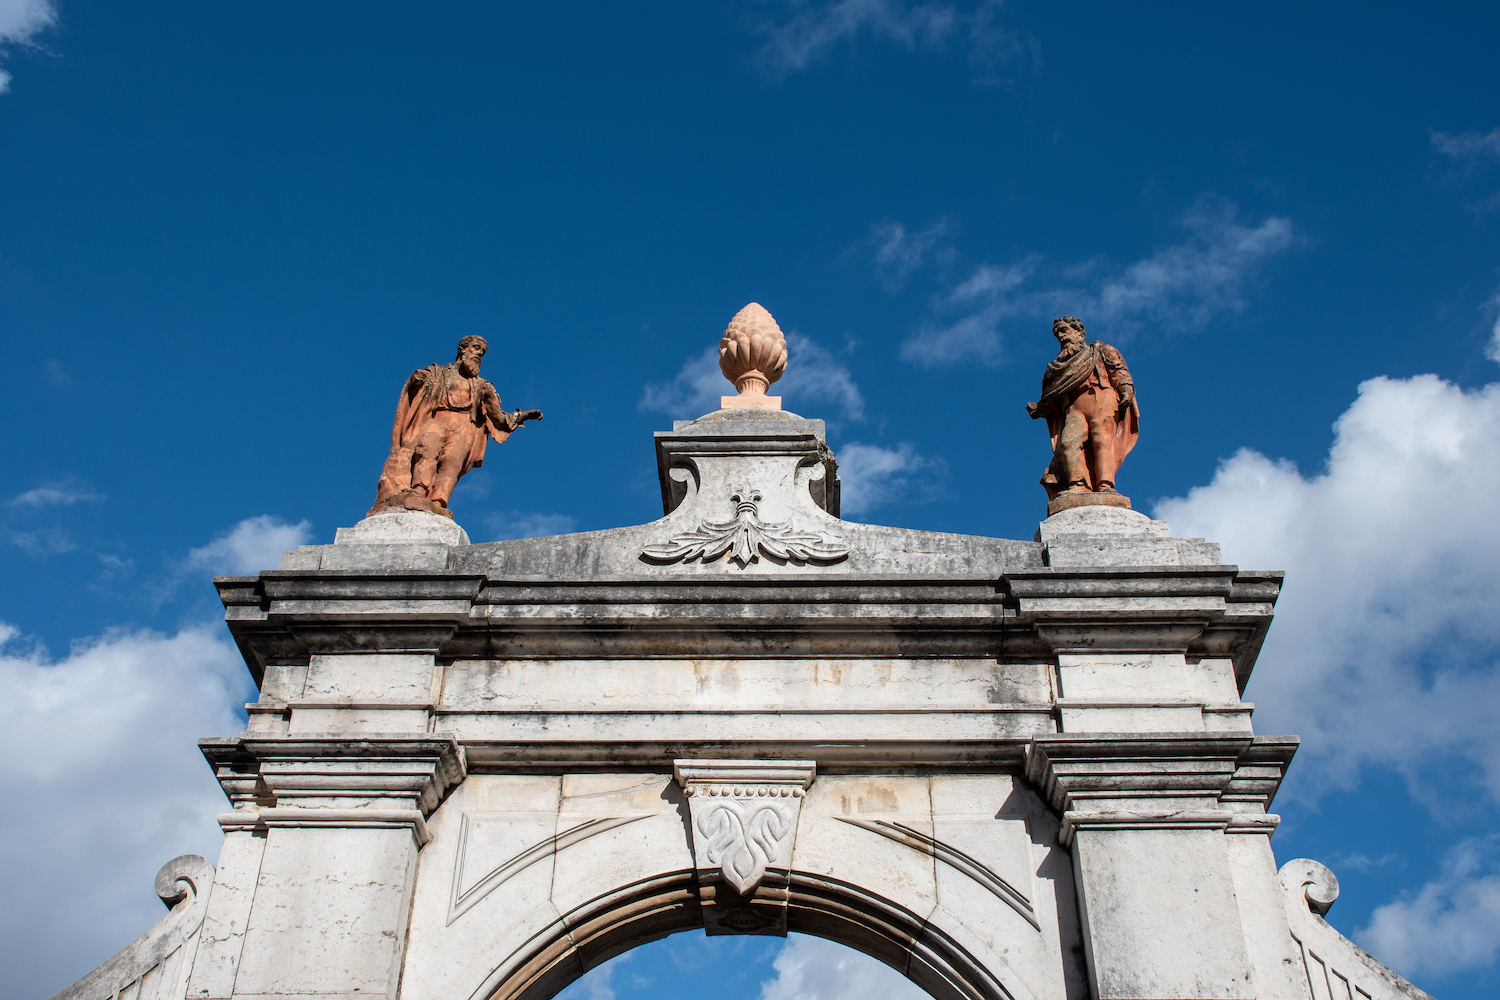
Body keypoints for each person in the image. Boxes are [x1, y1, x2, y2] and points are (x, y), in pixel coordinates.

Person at [369, 335, 542, 519]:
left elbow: (499, 417)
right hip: (437, 420)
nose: (479, 354)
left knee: (451, 463)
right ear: (463, 349)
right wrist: (417, 381)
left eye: (482, 352)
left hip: (464, 428)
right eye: (476, 348)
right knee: (426, 448)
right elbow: (417, 384)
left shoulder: (483, 386)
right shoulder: (438, 373)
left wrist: (522, 416)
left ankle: (438, 504)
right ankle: (418, 491)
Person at [1025, 316, 1139, 501]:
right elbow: (1052, 398)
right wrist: (1040, 408)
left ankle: (1105, 485)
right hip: (1073, 408)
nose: (1061, 336)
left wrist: (1125, 388)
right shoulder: (1057, 368)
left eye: (1064, 331)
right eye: (1057, 334)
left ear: (1078, 332)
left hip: (1102, 399)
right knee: (1068, 443)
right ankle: (1078, 484)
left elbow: (1118, 371)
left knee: (1101, 439)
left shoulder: (1100, 351)